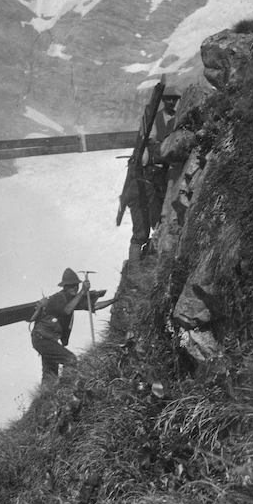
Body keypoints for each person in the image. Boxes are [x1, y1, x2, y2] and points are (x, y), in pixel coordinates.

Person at [126, 85, 181, 287]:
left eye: (174, 99)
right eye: (167, 99)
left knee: (158, 225)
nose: (170, 102)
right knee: (141, 231)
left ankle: (148, 265)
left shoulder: (178, 117)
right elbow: (149, 148)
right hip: (142, 187)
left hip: (154, 185)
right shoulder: (152, 123)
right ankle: (134, 271)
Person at [31, 268, 115, 384]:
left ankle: (46, 396)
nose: (75, 287)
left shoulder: (73, 299)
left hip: (48, 340)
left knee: (50, 374)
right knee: (70, 359)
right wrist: (82, 292)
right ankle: (67, 387)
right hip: (42, 339)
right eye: (71, 285)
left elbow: (94, 306)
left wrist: (114, 300)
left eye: (76, 285)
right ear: (65, 287)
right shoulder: (58, 298)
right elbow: (67, 310)